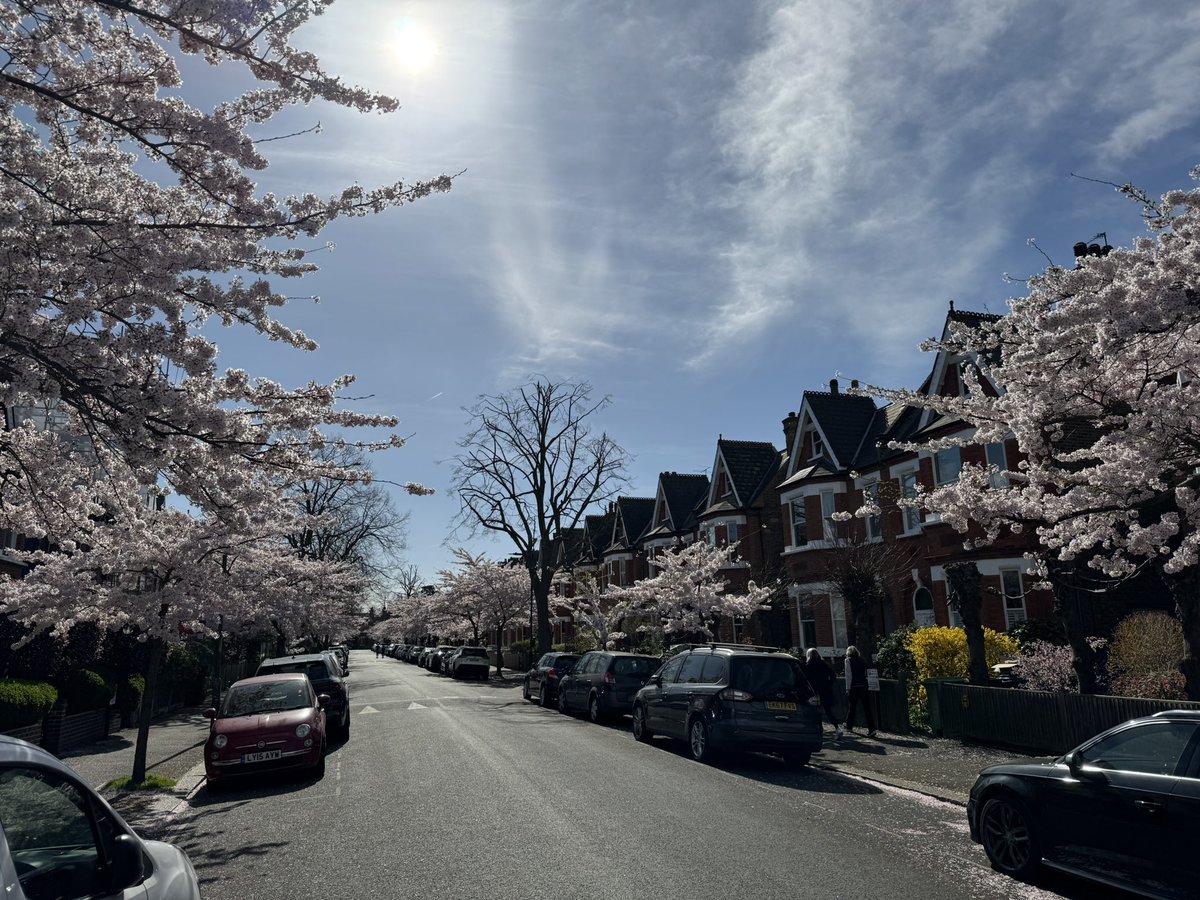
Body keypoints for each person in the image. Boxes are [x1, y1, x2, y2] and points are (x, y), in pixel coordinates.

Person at [804, 648, 843, 739]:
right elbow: (833, 675)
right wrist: (828, 684)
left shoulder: (808, 665)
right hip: (825, 690)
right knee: (828, 711)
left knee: (814, 711)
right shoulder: (823, 664)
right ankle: (837, 728)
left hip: (814, 692)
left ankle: (818, 731)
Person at [843, 645, 876, 737]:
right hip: (864, 686)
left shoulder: (848, 660)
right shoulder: (862, 660)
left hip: (854, 686)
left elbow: (848, 676)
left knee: (852, 707)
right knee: (867, 708)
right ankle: (872, 728)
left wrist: (847, 688)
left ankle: (849, 725)